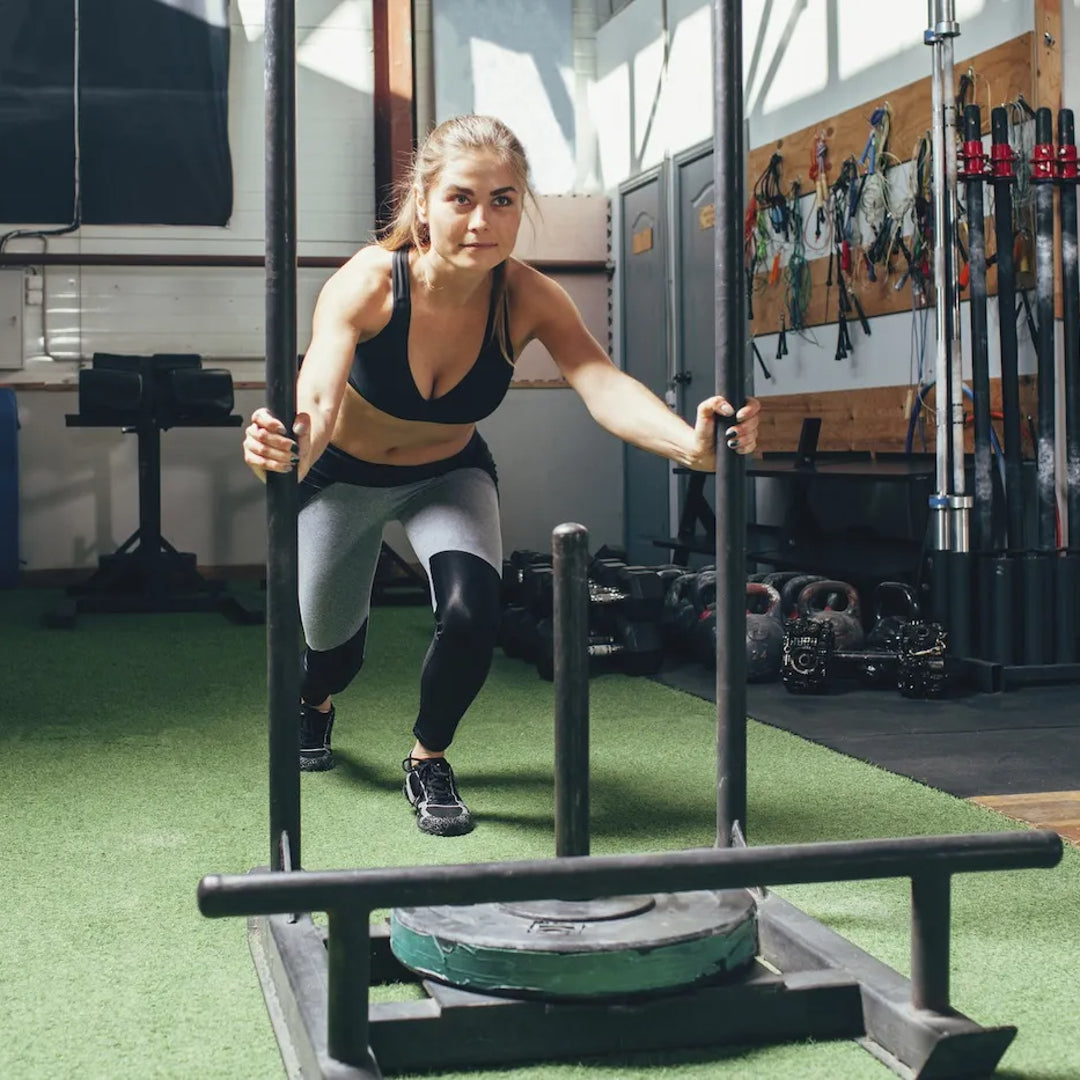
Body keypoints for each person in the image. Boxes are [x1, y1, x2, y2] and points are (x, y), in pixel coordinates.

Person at [243, 114, 761, 837]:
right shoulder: (369, 282)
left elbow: (601, 382)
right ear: (423, 203)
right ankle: (316, 704)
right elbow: (320, 401)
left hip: (447, 476)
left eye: (504, 200)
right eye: (461, 199)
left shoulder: (528, 296)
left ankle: (428, 758)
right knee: (333, 654)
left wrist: (691, 447)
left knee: (471, 612)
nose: (482, 220)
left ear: (522, 206)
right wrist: (286, 445)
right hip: (340, 477)